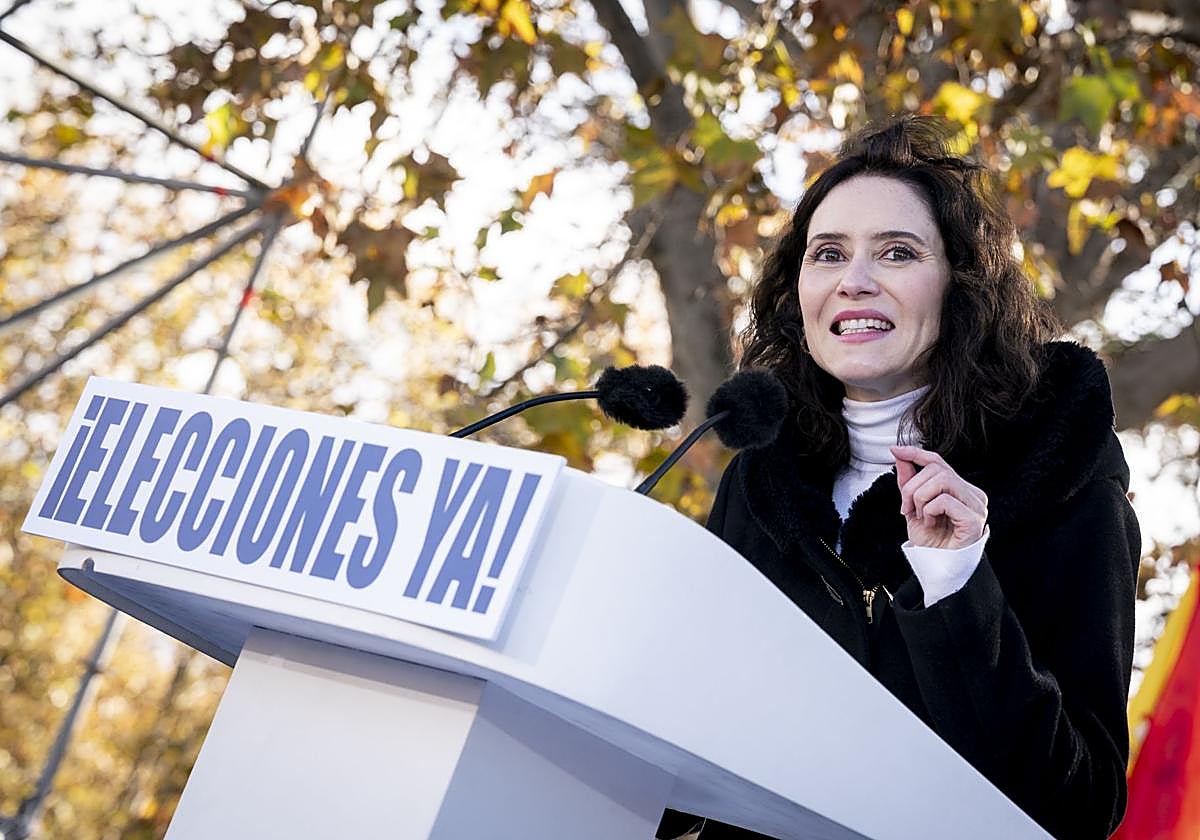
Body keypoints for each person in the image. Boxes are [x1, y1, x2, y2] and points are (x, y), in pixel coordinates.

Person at [656, 116, 1141, 840]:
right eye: (828, 254)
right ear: (798, 294)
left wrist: (955, 584)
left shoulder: (1068, 490)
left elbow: (1078, 809)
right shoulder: (759, 486)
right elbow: (687, 756)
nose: (855, 282)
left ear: (959, 287)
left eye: (896, 252)